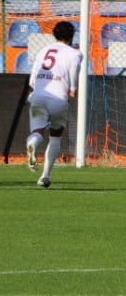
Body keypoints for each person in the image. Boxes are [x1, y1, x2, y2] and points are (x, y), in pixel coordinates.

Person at [26, 21, 84, 188]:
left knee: (37, 131)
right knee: (55, 136)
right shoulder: (75, 53)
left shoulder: (43, 51)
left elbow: (32, 79)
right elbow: (74, 70)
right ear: (72, 36)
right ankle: (45, 176)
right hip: (58, 99)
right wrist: (72, 88)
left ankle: (32, 145)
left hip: (37, 97)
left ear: (55, 35)